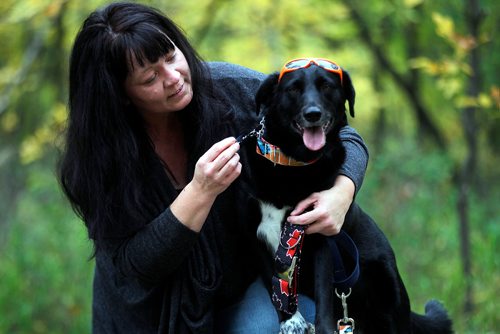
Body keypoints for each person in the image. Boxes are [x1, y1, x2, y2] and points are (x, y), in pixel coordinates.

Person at [57, 2, 369, 333]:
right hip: (154, 315)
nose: (173, 78)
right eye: (150, 77)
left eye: (171, 57)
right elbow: (137, 266)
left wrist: (342, 192)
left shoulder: (231, 88)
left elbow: (344, 135)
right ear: (120, 94)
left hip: (246, 287)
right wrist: (200, 191)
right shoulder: (100, 158)